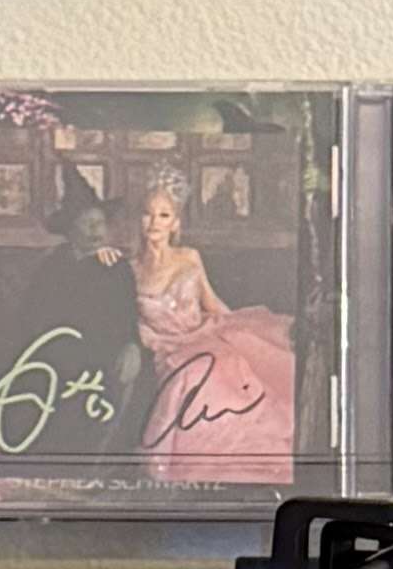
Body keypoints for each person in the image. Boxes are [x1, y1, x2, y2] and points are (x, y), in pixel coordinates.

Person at [127, 166, 297, 481]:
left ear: (175, 223)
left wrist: (243, 326)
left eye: (164, 215)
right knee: (196, 373)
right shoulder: (130, 268)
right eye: (148, 214)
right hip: (167, 347)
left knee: (228, 361)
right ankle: (194, 470)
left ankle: (234, 465)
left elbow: (212, 303)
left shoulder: (189, 257)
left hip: (203, 335)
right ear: (138, 220)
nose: (154, 222)